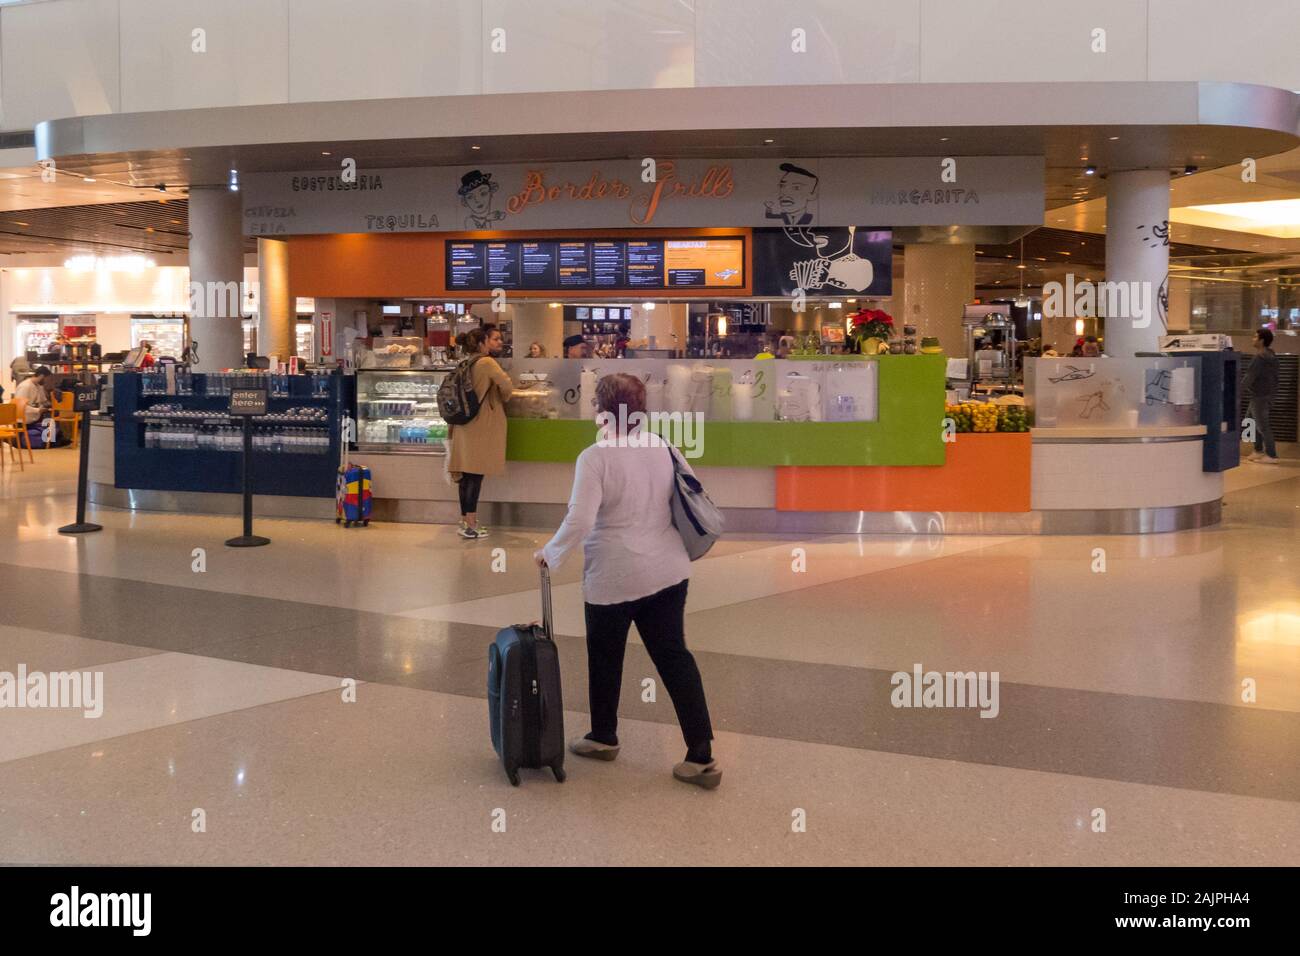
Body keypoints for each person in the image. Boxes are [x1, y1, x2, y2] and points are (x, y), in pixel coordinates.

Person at [534, 372, 720, 790]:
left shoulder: (595, 457)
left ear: (601, 410)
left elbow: (581, 519)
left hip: (613, 576)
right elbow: (692, 494)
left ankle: (604, 735)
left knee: (605, 656)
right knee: (674, 657)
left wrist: (550, 554)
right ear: (641, 409)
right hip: (668, 570)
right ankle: (701, 753)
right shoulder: (664, 446)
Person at [446, 326, 513, 538]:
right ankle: (472, 525)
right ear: (483, 342)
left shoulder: (466, 362)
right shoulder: (486, 362)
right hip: (480, 425)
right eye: (495, 339)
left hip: (463, 425)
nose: (499, 342)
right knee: (475, 475)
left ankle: (465, 521)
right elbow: (507, 387)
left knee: (465, 475)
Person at [1244, 328, 1280, 463]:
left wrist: (1237, 391)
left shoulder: (1260, 358)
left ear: (1262, 340)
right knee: (1250, 420)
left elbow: (1249, 377)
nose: (1253, 339)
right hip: (1265, 394)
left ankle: (1271, 455)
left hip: (1260, 395)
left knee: (1262, 425)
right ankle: (1258, 450)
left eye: (1255, 337)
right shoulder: (1271, 355)